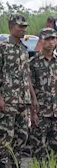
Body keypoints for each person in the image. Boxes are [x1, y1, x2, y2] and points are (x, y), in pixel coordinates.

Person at [0, 13, 39, 168]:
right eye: (20, 26)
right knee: (5, 135)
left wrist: (33, 99)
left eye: (25, 26)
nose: (23, 29)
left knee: (21, 136)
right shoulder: (2, 48)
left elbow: (27, 76)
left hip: (23, 100)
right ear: (11, 28)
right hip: (8, 99)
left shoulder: (24, 49)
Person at [30, 27, 58, 160]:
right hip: (41, 113)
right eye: (47, 39)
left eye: (53, 38)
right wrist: (32, 113)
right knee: (40, 150)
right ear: (41, 41)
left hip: (56, 112)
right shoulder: (33, 63)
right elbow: (30, 90)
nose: (50, 42)